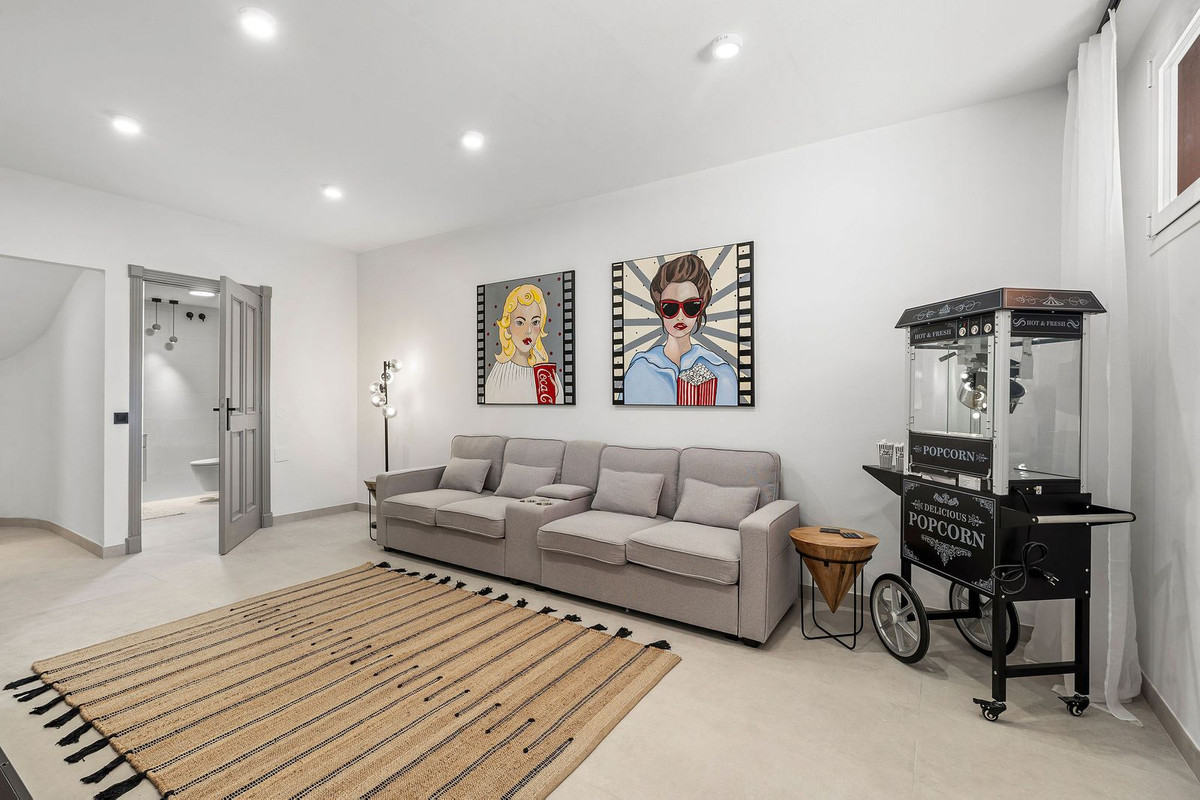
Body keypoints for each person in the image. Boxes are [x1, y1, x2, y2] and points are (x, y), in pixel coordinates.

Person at [623, 254, 738, 405]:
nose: (680, 316)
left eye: (691, 306)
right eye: (670, 307)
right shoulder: (640, 369)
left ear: (701, 308)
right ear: (660, 309)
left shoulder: (721, 371)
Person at [484, 283, 564, 404]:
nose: (528, 330)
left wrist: (556, 396)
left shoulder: (544, 374)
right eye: (520, 323)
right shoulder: (499, 372)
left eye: (535, 322)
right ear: (508, 326)